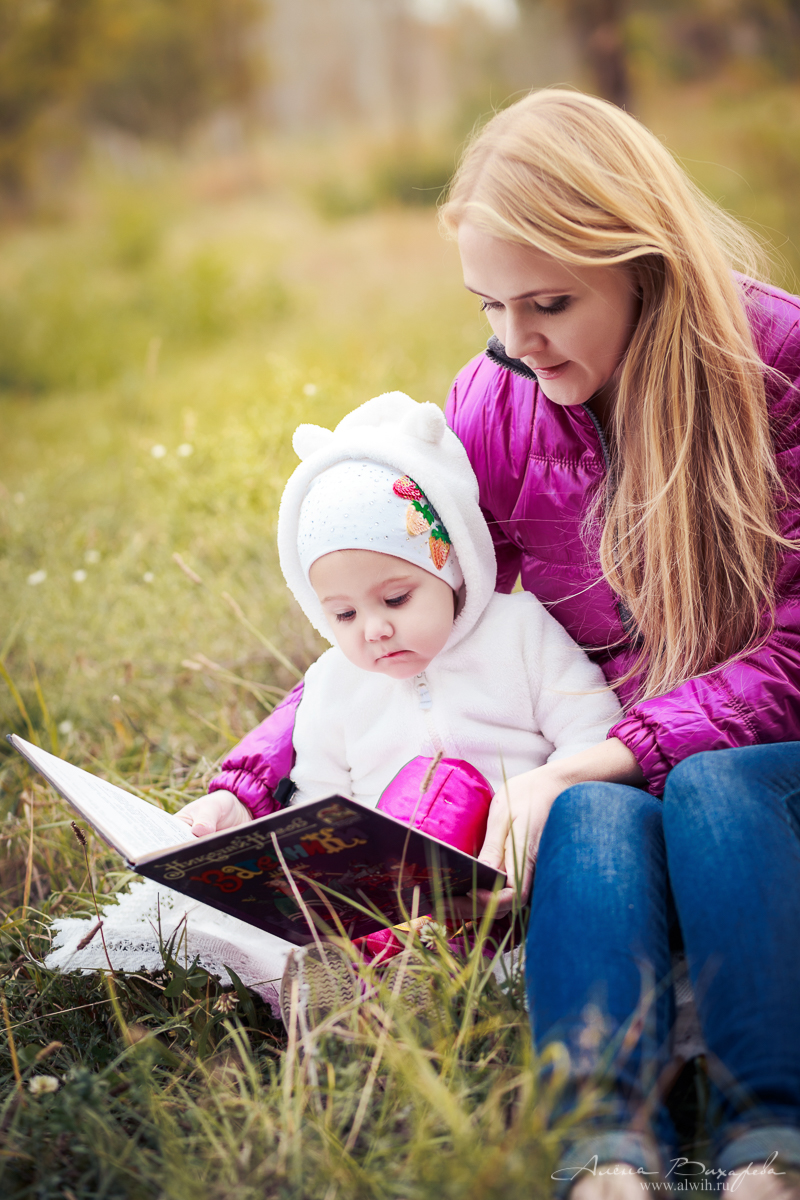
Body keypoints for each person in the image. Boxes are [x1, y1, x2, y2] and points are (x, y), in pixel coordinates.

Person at [191, 89, 800, 1196]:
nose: (514, 341)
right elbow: (416, 610)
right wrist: (250, 779)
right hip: (619, 767)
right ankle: (604, 1152)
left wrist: (588, 754)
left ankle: (772, 1144)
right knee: (588, 819)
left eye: (549, 302)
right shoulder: (495, 402)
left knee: (701, 789)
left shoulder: (779, 368)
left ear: (641, 263)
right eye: (487, 306)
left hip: (757, 770)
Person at [181, 390, 622, 994]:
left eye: (395, 599)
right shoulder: (334, 683)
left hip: (514, 874)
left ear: (452, 566)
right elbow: (320, 798)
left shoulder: (519, 632)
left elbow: (591, 728)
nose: (374, 629)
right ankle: (373, 977)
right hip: (388, 895)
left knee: (443, 785)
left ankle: (395, 974)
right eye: (342, 615)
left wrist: (546, 813)